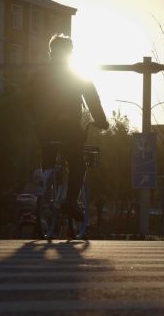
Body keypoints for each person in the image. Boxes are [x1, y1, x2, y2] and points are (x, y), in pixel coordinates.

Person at [29, 34, 109, 220]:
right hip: (68, 129)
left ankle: (43, 204)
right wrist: (101, 121)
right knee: (78, 163)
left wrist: (36, 122)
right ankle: (71, 200)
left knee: (48, 165)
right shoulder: (77, 75)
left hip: (44, 130)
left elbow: (28, 100)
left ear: (51, 52)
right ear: (69, 53)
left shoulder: (39, 75)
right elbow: (92, 99)